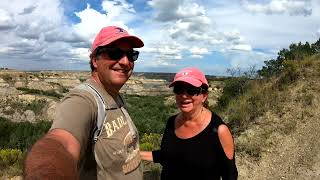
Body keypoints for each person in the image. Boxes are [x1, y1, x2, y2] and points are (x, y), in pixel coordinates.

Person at [24, 26, 144, 180]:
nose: (125, 61)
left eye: (131, 54)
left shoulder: (114, 96)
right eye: (115, 53)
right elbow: (61, 143)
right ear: (95, 60)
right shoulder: (82, 100)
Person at [140, 67, 238, 180]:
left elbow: (230, 175)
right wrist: (137, 155)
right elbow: (168, 156)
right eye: (179, 89)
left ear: (204, 95)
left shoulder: (219, 131)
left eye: (192, 90)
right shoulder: (172, 122)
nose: (184, 95)